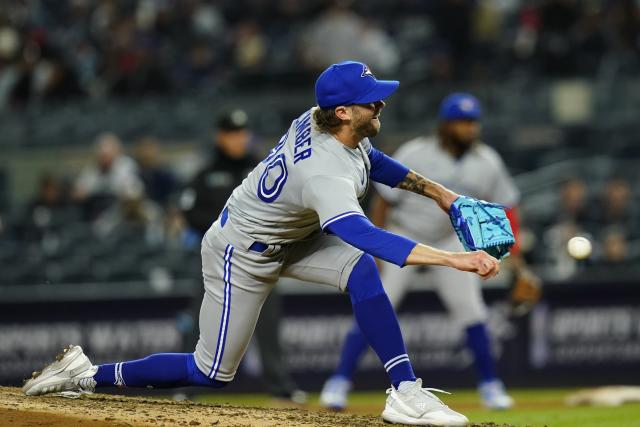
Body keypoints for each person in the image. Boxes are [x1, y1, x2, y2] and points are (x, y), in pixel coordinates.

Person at [23, 61, 500, 426]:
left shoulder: (326, 125)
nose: (380, 105)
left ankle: (405, 389)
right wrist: (455, 259)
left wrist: (444, 195)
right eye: (370, 100)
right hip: (243, 252)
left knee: (361, 272)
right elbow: (363, 234)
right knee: (209, 372)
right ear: (342, 112)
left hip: (290, 236)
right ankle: (85, 375)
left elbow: (376, 163)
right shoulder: (324, 172)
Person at [320, 93, 528, 411]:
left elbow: (506, 209)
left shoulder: (487, 160)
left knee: (472, 311)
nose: (469, 128)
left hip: (449, 239)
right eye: (461, 122)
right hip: (403, 231)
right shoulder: (416, 151)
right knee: (378, 303)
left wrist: (514, 261)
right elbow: (383, 202)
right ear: (446, 125)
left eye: (473, 122)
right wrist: (376, 248)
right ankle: (339, 382)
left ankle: (490, 386)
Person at [181, 109, 307, 403]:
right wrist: (231, 227)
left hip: (258, 260)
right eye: (233, 134)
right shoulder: (205, 174)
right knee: (200, 323)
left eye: (243, 133)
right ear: (220, 137)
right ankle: (185, 388)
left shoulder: (261, 168)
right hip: (215, 260)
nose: (240, 139)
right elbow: (190, 214)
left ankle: (280, 386)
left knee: (269, 324)